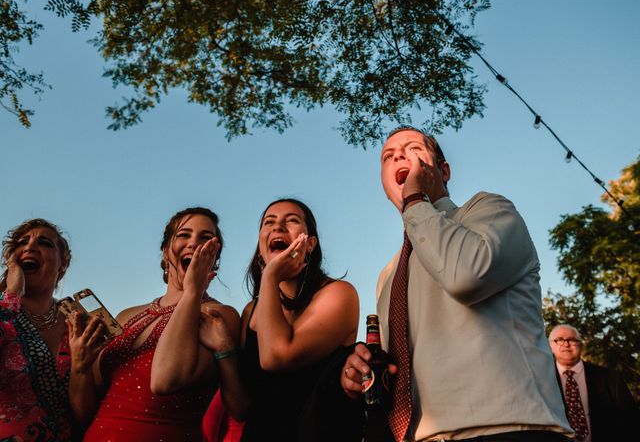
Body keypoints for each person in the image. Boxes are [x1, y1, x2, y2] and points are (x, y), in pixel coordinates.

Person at [341, 127, 573, 442]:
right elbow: (394, 369)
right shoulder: (389, 273)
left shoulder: (489, 211)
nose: (397, 155)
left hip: (508, 429)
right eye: (387, 156)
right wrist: (360, 372)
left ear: (444, 170)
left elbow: (466, 276)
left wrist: (414, 200)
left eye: (412, 148)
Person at [69, 207, 242, 441]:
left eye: (204, 238)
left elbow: (168, 380)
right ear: (164, 252)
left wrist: (194, 290)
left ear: (214, 254)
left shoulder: (217, 315)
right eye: (183, 235)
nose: (193, 243)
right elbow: (85, 414)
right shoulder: (126, 315)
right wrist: (80, 366)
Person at [200, 198, 360, 442]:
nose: (278, 227)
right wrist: (225, 351)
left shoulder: (339, 294)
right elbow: (240, 409)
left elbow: (276, 357)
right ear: (261, 245)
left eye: (292, 220)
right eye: (269, 222)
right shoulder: (250, 313)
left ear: (311, 244)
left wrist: (270, 277)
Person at [0, 218, 74, 441]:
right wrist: (12, 294)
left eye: (44, 243)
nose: (30, 247)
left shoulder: (78, 322)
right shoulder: (3, 308)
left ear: (63, 264)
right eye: (22, 243)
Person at [548, 324, 639, 441]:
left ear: (580, 345)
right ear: (550, 346)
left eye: (572, 339)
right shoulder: (542, 381)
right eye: (559, 340)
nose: (566, 344)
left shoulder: (610, 378)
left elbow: (631, 419)